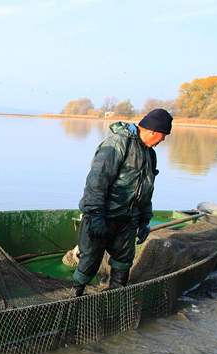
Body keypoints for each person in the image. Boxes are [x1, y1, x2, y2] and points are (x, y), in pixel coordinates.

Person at [72, 108, 173, 296]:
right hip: (103, 216)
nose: (162, 141)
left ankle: (115, 298)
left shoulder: (150, 154)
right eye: (162, 136)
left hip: (127, 220)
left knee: (124, 261)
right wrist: (95, 215)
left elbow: (147, 190)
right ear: (151, 131)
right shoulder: (118, 143)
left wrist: (144, 220)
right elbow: (97, 180)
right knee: (89, 261)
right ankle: (75, 296)